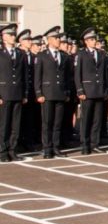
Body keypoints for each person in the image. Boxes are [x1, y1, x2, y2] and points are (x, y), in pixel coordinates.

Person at [74, 28, 108, 155]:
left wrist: (106, 90)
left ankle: (95, 144)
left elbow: (105, 74)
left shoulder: (101, 54)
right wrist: (80, 90)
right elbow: (77, 74)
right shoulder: (81, 54)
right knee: (86, 119)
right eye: (91, 39)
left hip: (99, 91)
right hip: (87, 92)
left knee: (97, 120)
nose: (94, 41)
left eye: (95, 39)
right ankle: (85, 144)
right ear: (86, 41)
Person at [35, 27, 70, 158]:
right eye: (56, 38)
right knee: (47, 122)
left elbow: (66, 76)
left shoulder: (63, 56)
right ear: (49, 40)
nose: (58, 40)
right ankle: (47, 148)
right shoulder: (42, 56)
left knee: (57, 122)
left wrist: (66, 92)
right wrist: (39, 93)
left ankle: (55, 146)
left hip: (60, 93)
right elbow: (37, 76)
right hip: (47, 93)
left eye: (59, 38)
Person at [0, 24, 28, 161]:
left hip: (17, 93)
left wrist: (25, 94)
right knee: (4, 124)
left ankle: (12, 149)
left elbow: (24, 76)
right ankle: (3, 151)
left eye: (13, 35)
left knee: (15, 125)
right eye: (10, 35)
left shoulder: (20, 53)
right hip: (4, 93)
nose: (13, 37)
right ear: (3, 37)